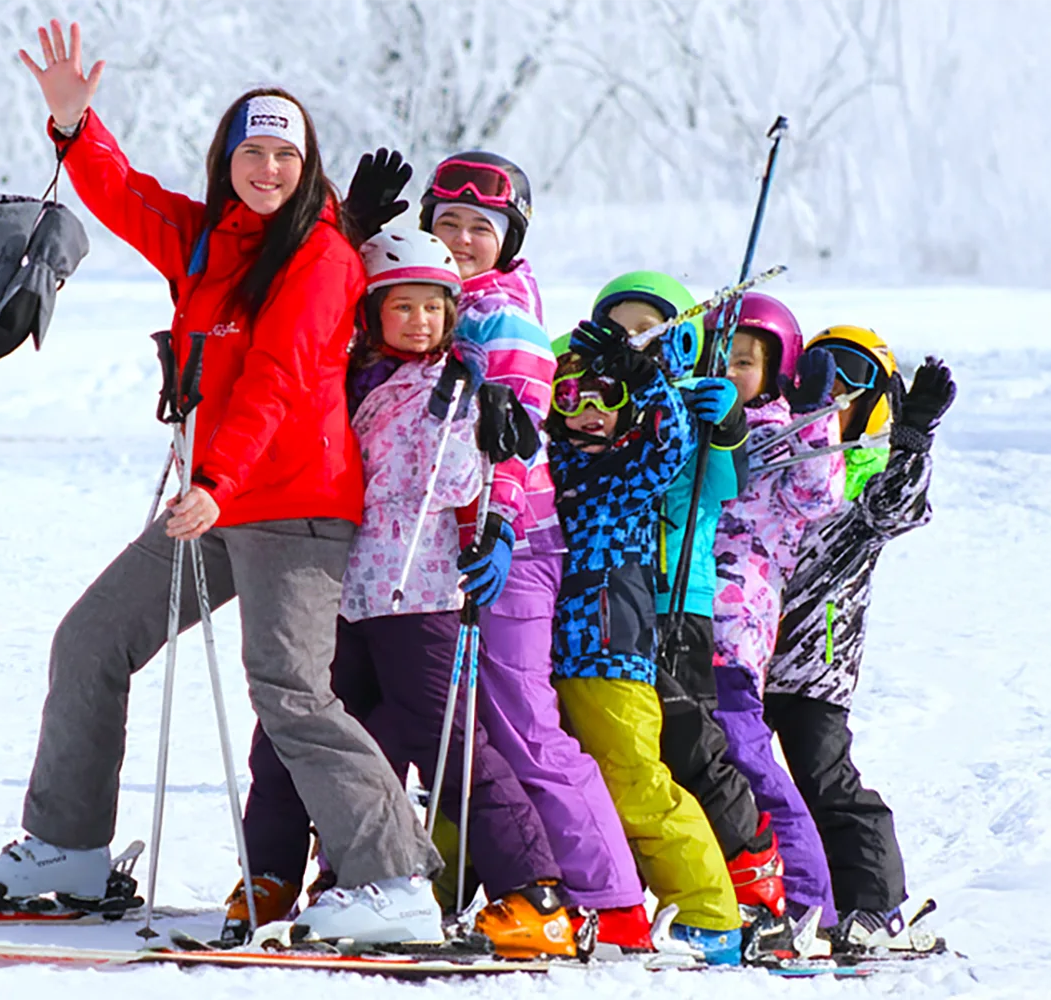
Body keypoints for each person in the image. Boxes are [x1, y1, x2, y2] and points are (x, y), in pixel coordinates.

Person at [0, 20, 440, 946]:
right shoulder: (204, 241)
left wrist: (219, 481)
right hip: (218, 501)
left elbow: (278, 377)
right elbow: (121, 198)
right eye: (251, 151)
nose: (266, 168)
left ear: (305, 163)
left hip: (295, 507)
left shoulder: (322, 257)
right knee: (91, 641)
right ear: (227, 159)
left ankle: (394, 884)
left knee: (289, 689)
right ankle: (67, 851)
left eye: (284, 153)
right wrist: (76, 126)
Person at [229, 230, 575, 958]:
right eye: (403, 307)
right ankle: (272, 875)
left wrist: (477, 427)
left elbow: (455, 486)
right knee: (297, 737)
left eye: (433, 308)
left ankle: (536, 896)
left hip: (418, 597)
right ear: (373, 313)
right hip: (342, 592)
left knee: (450, 743)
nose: (419, 322)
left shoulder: (457, 386)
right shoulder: (349, 375)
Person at [417, 153, 652, 946]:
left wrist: (503, 527)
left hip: (509, 542)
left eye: (480, 227)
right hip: (440, 541)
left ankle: (612, 903)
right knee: (458, 725)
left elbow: (517, 438)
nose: (460, 239)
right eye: (446, 224)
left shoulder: (502, 320)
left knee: (522, 725)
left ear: (508, 237)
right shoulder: (436, 306)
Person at [591, 273, 793, 940]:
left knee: (688, 742)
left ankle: (751, 877)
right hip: (606, 597)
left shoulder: (691, 403)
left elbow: (725, 482)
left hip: (680, 595)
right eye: (620, 329)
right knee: (625, 750)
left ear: (681, 340)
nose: (634, 342)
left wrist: (727, 421)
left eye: (650, 330)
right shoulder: (595, 400)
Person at [547, 315, 744, 966]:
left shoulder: (630, 473)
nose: (588, 412)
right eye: (570, 396)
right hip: (538, 655)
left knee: (635, 781)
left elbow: (674, 444)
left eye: (606, 395)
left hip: (610, 649)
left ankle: (708, 913)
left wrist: (647, 377)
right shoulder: (549, 466)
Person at [765, 324, 957, 952]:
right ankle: (772, 896)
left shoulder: (868, 471)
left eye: (854, 380)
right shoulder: (778, 452)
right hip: (744, 644)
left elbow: (896, 510)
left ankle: (875, 902)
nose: (835, 391)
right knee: (741, 774)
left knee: (821, 775)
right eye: (823, 371)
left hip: (817, 659)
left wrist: (911, 440)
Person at [705, 293, 846, 943]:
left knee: (746, 757)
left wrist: (816, 418)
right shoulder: (695, 424)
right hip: (671, 623)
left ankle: (812, 899)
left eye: (745, 362)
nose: (729, 371)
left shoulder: (781, 433)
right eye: (720, 357)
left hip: (734, 630)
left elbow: (820, 494)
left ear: (776, 370)